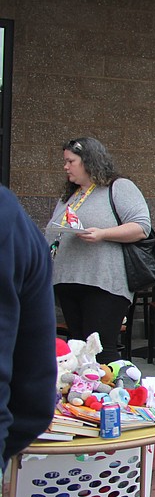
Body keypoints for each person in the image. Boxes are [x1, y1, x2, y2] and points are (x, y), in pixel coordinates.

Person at [44, 137, 153, 364]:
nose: (65, 167)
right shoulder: (72, 194)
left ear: (88, 161)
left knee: (101, 349)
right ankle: (84, 397)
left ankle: (112, 397)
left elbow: (141, 227)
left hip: (103, 282)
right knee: (78, 348)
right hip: (70, 281)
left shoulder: (118, 187)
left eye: (70, 161)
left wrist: (103, 234)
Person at [1, 185, 58, 468]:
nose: (66, 167)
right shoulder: (13, 222)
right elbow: (34, 395)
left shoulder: (13, 226)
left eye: (71, 161)